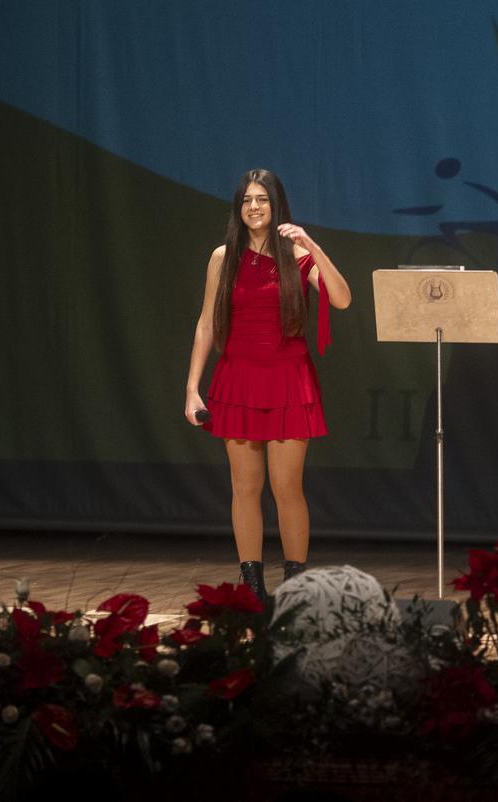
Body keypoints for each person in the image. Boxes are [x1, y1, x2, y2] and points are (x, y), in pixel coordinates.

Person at [184, 169, 352, 602]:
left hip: (288, 379)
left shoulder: (298, 255)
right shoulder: (223, 257)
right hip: (237, 378)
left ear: (277, 206)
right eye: (246, 200)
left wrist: (313, 246)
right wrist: (192, 389)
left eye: (262, 199)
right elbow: (206, 323)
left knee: (287, 487)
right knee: (244, 487)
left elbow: (342, 298)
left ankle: (296, 586)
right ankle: (252, 587)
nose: (254, 207)